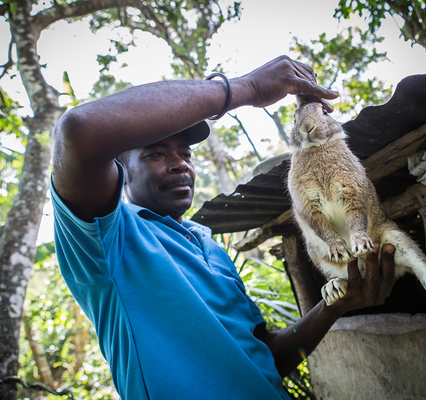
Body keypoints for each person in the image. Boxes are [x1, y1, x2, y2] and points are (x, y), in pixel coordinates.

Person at [51, 55, 397, 400]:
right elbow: (79, 131)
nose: (179, 165)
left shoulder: (212, 249)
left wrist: (335, 305)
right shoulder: (108, 241)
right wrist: (249, 87)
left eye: (185, 154)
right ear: (122, 170)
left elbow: (267, 359)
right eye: (156, 155)